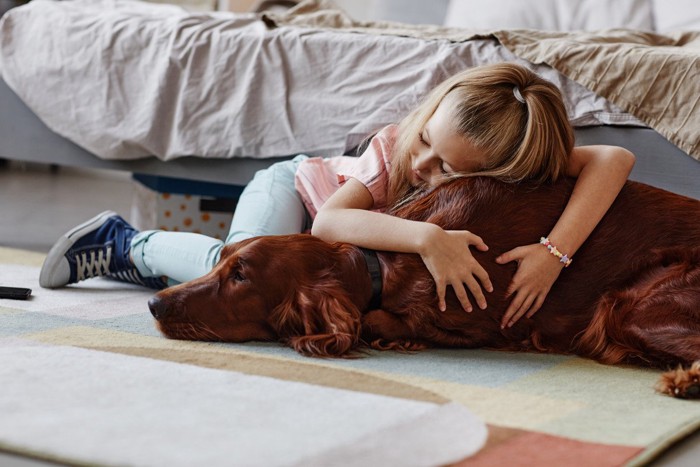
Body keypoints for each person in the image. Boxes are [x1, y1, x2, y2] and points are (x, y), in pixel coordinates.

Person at [39, 62, 635, 328]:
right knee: (247, 265)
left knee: (269, 291)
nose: (422, 162)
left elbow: (613, 157)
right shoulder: (392, 148)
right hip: (300, 195)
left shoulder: (507, 163)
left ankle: (155, 266)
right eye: (425, 138)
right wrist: (428, 236)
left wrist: (554, 254)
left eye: (447, 168)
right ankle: (127, 243)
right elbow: (328, 224)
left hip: (329, 246)